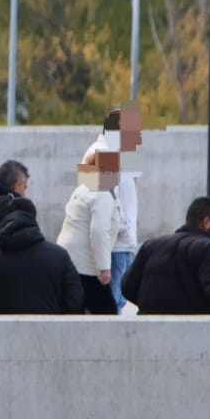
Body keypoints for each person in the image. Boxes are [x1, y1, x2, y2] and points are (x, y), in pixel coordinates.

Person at [0, 198, 82, 315]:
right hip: (50, 330)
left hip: (3, 331)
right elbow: (74, 299)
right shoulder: (59, 255)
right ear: (33, 218)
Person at [55, 148, 125, 315]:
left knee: (74, 311)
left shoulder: (84, 189)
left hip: (69, 260)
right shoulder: (101, 192)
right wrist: (104, 268)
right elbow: (99, 231)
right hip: (86, 266)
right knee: (107, 313)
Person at [90, 106, 143, 312]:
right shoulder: (106, 156)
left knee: (114, 300)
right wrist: (124, 227)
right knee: (113, 302)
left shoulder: (116, 155)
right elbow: (106, 199)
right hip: (117, 245)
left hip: (119, 242)